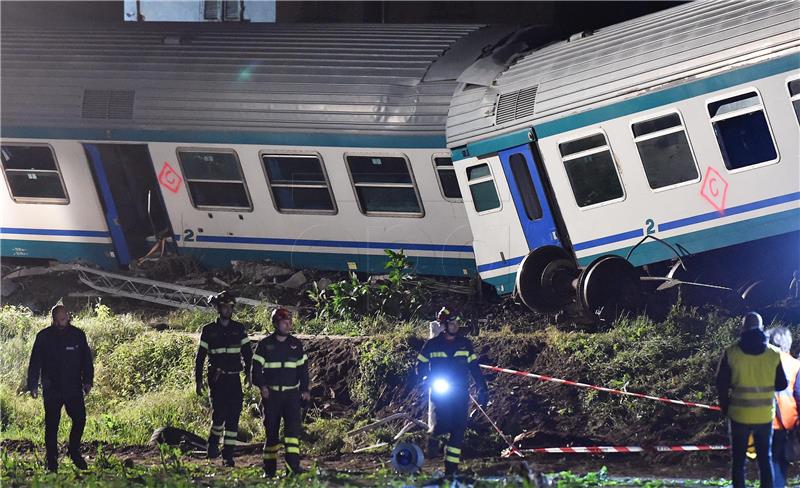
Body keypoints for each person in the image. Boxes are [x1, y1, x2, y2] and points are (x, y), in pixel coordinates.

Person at [716, 312, 787, 488]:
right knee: (765, 460)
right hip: (764, 416)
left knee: (738, 462)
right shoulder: (774, 354)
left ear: (742, 328)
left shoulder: (731, 352)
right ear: (762, 328)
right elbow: (782, 384)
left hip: (738, 415)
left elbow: (721, 383)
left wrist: (725, 407)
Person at [416, 306, 489, 477]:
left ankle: (451, 470)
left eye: (457, 322)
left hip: (460, 393)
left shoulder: (465, 344)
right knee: (441, 425)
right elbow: (420, 364)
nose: (456, 325)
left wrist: (482, 387)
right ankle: (431, 439)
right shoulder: (432, 345)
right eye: (452, 322)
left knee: (458, 430)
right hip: (440, 392)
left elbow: (474, 368)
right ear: (444, 325)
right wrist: (424, 378)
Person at [26, 304, 93, 472]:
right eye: (60, 318)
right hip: (52, 387)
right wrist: (33, 384)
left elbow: (87, 360)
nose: (64, 320)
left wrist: (88, 380)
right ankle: (52, 460)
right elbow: (35, 362)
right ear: (54, 319)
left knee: (80, 419)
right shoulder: (43, 337)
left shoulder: (78, 335)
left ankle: (74, 450)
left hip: (73, 386)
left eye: (66, 317)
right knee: (52, 424)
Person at [195, 290, 252, 467]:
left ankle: (228, 455)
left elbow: (248, 354)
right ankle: (212, 447)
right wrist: (198, 380)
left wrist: (249, 375)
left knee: (234, 418)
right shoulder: (209, 330)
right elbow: (200, 357)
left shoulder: (239, 328)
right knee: (219, 416)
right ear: (219, 308)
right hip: (217, 380)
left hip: (234, 379)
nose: (227, 310)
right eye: (224, 306)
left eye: (230, 307)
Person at [251, 307, 310, 477]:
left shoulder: (296, 345)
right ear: (276, 323)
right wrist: (262, 387)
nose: (288, 325)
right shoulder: (265, 345)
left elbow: (303, 371)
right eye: (285, 322)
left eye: (290, 322)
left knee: (292, 434)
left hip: (292, 396)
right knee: (271, 435)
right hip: (272, 396)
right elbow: (255, 370)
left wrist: (305, 390)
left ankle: (293, 468)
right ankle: (269, 471)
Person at [767, 326, 800, 488]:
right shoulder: (795, 365)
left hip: (758, 419)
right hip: (786, 421)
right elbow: (799, 395)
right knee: (780, 463)